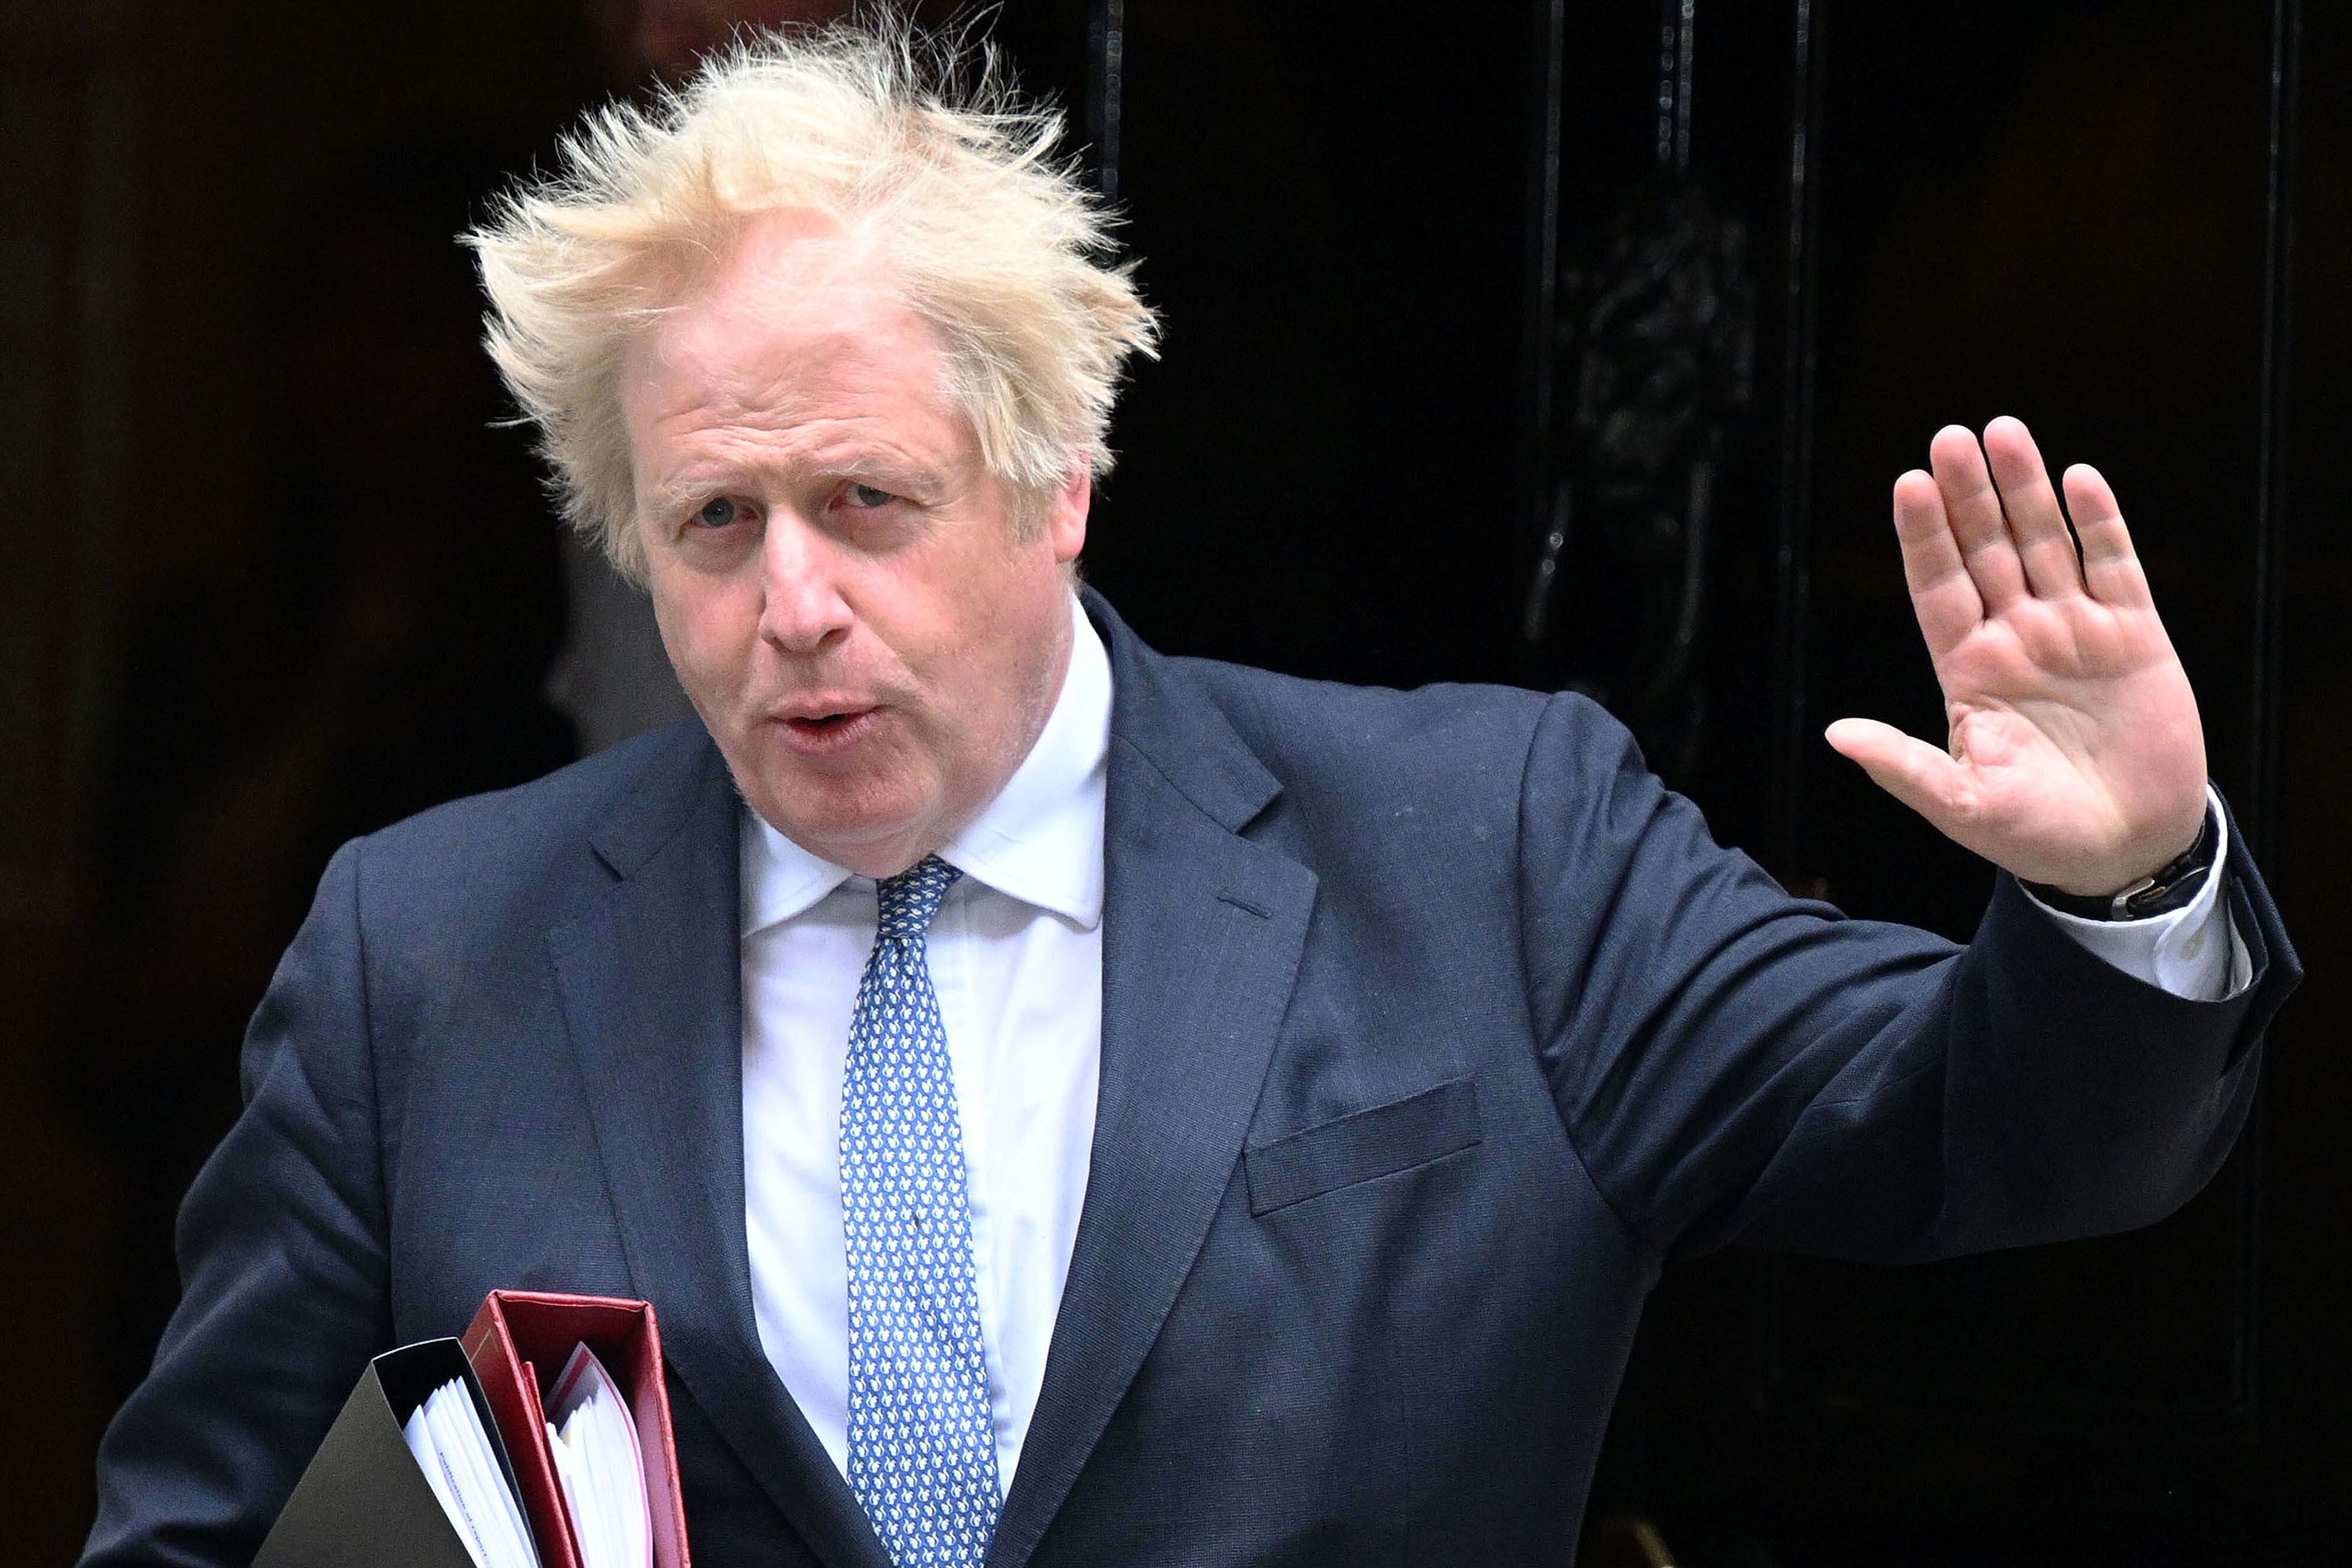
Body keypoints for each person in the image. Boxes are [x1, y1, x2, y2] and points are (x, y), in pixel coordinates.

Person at [81, 24, 2296, 1568]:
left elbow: (1988, 1136)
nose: (797, 606)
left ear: (1058, 480)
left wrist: (2123, 893)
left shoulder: (1486, 845)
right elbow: (204, 1531)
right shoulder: (427, 952)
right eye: (717, 527)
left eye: (869, 499)